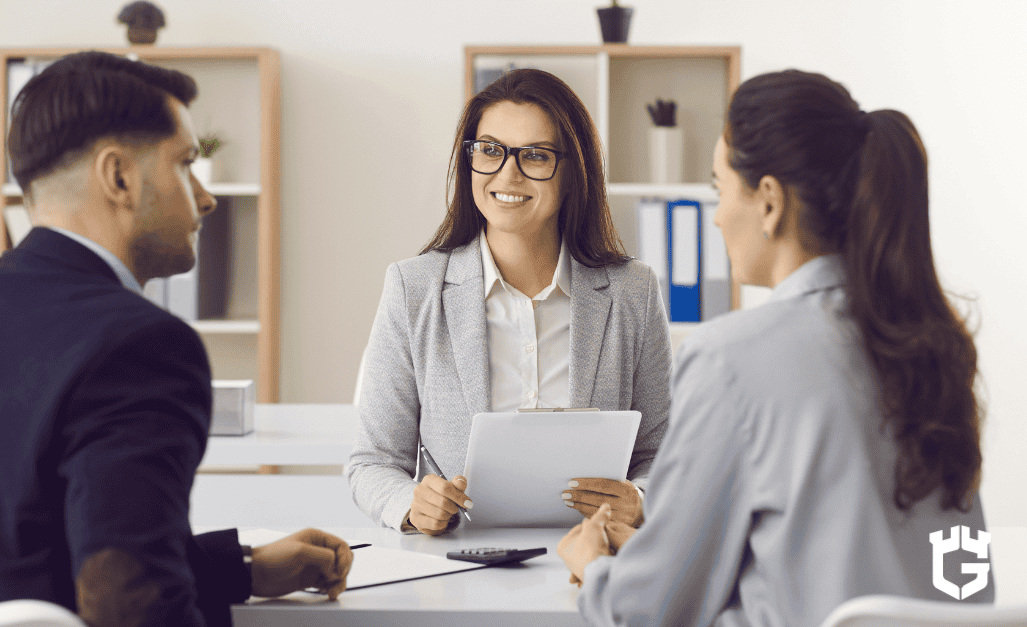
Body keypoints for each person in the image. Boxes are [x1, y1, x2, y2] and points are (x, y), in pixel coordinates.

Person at [0, 51, 352, 626]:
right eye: (185, 164)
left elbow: (38, 557)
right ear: (119, 177)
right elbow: (135, 608)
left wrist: (243, 567)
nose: (204, 198)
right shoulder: (140, 345)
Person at [558, 69, 995, 625]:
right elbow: (965, 584)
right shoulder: (932, 345)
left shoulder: (728, 359)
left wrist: (596, 567)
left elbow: (647, 613)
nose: (714, 217)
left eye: (719, 190)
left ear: (769, 202)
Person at [346, 68, 671, 535]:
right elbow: (372, 463)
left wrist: (640, 499)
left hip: (594, 561)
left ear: (572, 170)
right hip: (459, 563)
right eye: (490, 151)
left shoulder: (631, 292)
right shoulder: (412, 289)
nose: (507, 174)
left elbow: (664, 455)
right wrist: (410, 504)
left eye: (535, 156)